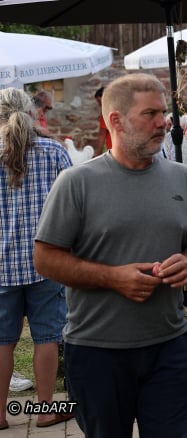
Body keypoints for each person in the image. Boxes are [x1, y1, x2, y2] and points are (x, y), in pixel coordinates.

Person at [34, 74, 187, 438]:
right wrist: (113, 277)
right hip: (97, 352)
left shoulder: (182, 179)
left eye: (164, 113)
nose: (163, 122)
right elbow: (45, 258)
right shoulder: (76, 183)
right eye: (150, 114)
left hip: (170, 347)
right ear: (115, 120)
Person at [0, 88, 72, 431]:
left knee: (2, 341)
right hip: (46, 261)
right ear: (31, 112)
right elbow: (75, 205)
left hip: (1, 267)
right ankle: (45, 410)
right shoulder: (53, 151)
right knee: (46, 336)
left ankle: (0, 416)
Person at [93, 85, 112, 154]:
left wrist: (97, 154)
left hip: (112, 150)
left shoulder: (106, 113)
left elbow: (102, 135)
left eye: (99, 101)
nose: (99, 105)